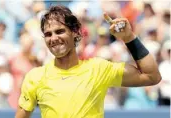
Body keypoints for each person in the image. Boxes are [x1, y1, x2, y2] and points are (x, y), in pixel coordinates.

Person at [15, 5, 161, 118]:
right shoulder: (35, 77)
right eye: (48, 34)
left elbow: (152, 76)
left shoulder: (99, 68)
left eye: (60, 31)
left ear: (76, 33)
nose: (53, 38)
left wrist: (129, 37)